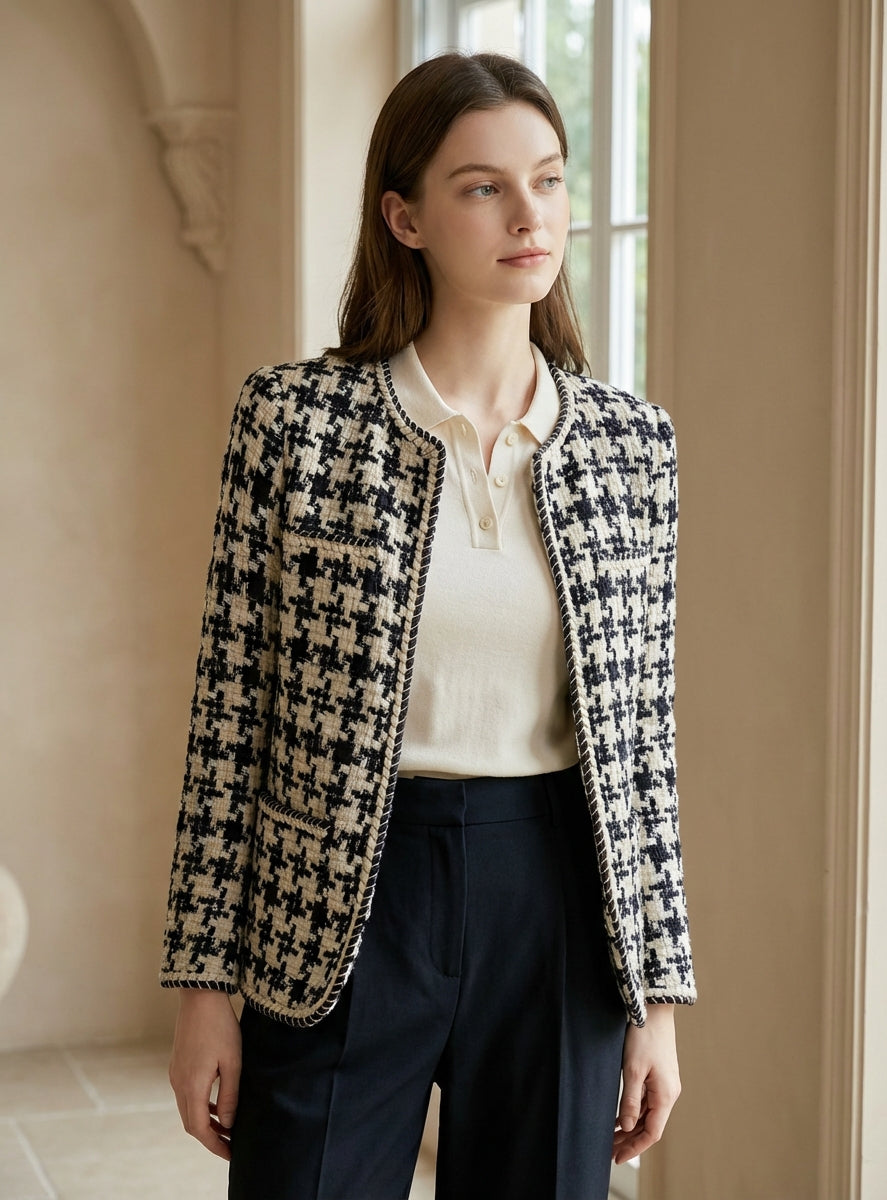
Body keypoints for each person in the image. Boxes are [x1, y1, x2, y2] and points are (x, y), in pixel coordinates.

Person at [161, 50, 696, 1200]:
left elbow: (640, 749)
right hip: (342, 893)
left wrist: (654, 998)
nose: (527, 215)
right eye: (481, 187)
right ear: (404, 218)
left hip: (556, 897)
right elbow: (227, 725)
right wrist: (204, 988)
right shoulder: (294, 424)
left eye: (546, 180)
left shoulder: (630, 445)